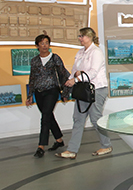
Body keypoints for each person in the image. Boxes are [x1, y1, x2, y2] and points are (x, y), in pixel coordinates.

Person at [56, 27, 112, 159]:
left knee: (95, 119)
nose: (80, 38)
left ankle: (106, 145)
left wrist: (76, 79)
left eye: (82, 36)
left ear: (90, 37)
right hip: (83, 90)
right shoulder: (80, 52)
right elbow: (74, 70)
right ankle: (72, 150)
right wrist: (70, 80)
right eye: (79, 36)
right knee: (78, 119)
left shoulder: (96, 52)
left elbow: (93, 72)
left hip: (97, 89)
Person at [25, 34, 71, 158]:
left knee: (45, 117)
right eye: (42, 43)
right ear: (37, 46)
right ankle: (59, 140)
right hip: (38, 92)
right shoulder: (34, 60)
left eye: (46, 43)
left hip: (52, 91)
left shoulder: (55, 58)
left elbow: (63, 75)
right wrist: (30, 95)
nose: (45, 45)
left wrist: (65, 93)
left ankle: (41, 146)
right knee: (48, 116)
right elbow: (32, 78)